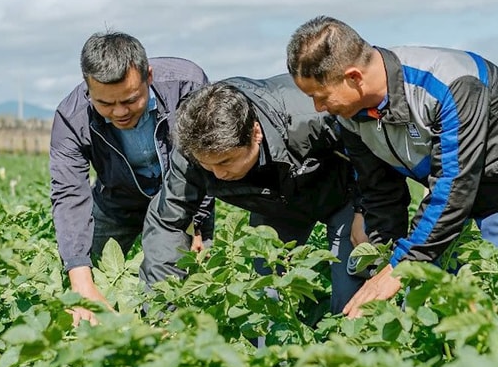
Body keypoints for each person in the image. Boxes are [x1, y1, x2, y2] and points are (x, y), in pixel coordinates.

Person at [286, 16, 498, 316]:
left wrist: (400, 267)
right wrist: (381, 257)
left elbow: (453, 186)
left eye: (320, 96)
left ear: (354, 77)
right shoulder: (350, 112)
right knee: (449, 303)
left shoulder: (450, 84)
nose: (318, 108)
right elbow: (378, 188)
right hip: (453, 190)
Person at [140, 76, 397, 311]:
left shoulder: (311, 115)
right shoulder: (192, 150)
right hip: (273, 207)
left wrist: (365, 211)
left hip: (342, 195)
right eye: (208, 166)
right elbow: (166, 223)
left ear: (255, 133)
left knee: (352, 300)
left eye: (227, 162)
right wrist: (162, 311)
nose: (217, 175)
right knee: (265, 301)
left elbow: (373, 157)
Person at [48, 32, 211, 314]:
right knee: (80, 276)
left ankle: (159, 337)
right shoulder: (71, 118)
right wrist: (79, 277)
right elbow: (69, 193)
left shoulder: (187, 86)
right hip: (115, 201)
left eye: (130, 100)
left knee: (169, 292)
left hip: (175, 200)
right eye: (105, 104)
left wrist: (199, 225)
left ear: (148, 76)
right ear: (88, 89)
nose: (119, 112)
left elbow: (206, 158)